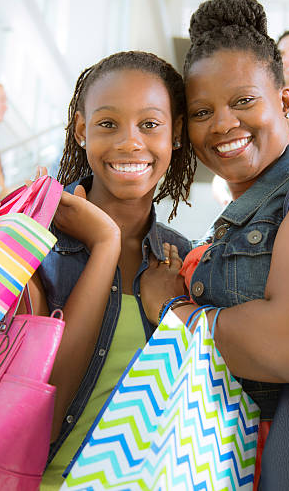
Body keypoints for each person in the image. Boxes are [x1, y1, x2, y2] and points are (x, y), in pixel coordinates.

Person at [139, 0, 289, 488]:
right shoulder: (221, 231)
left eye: (244, 100)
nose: (223, 124)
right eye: (202, 111)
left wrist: (175, 311)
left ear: (284, 101)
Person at [29, 51, 195, 489]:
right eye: (107, 124)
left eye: (150, 124)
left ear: (175, 133)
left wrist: (174, 313)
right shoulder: (33, 240)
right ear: (82, 131)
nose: (129, 143)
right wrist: (105, 246)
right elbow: (39, 425)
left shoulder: (180, 258)